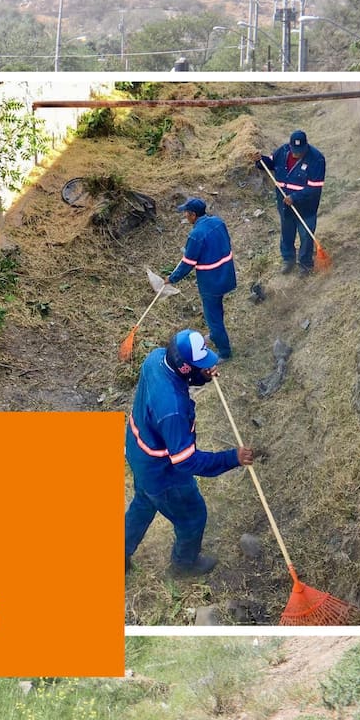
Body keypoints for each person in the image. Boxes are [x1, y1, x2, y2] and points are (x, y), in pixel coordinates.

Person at [125, 329, 255, 577]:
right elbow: (186, 461)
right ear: (185, 367)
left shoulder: (155, 358)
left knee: (143, 502)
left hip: (139, 451)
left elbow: (179, 377)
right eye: (201, 364)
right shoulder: (173, 409)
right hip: (163, 471)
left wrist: (202, 376)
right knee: (192, 516)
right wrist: (232, 458)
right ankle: (184, 565)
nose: (209, 366)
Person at [166, 197, 236, 360]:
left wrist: (172, 278)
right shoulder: (218, 222)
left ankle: (224, 352)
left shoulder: (196, 235)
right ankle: (214, 335)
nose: (185, 216)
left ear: (193, 215)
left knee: (213, 317)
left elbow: (187, 264)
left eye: (186, 213)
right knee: (217, 310)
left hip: (211, 282)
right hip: (226, 274)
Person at [259, 130, 325, 276]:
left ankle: (305, 263)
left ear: (306, 146)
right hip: (285, 206)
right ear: (290, 146)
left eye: (300, 151)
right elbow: (270, 163)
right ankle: (288, 259)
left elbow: (314, 188)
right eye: (294, 151)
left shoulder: (317, 159)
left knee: (306, 235)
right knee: (287, 233)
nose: (296, 154)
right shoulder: (282, 152)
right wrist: (260, 160)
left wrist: (295, 197)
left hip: (306, 208)